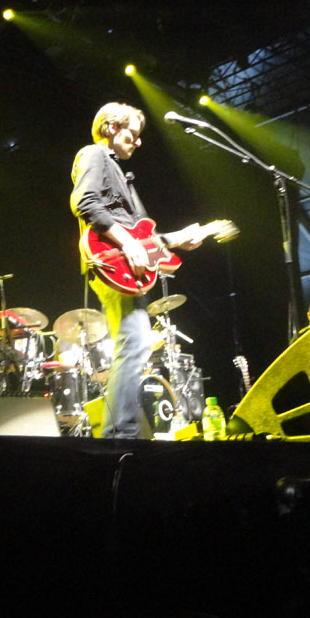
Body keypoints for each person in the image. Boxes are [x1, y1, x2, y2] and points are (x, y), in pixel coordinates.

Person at [70, 102, 203, 438]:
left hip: (129, 269)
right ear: (111, 127)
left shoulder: (123, 175)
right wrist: (125, 243)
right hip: (113, 263)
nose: (139, 141)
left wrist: (177, 240)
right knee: (134, 343)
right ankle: (119, 436)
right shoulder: (94, 154)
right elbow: (84, 201)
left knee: (135, 345)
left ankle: (121, 433)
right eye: (133, 133)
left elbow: (144, 236)